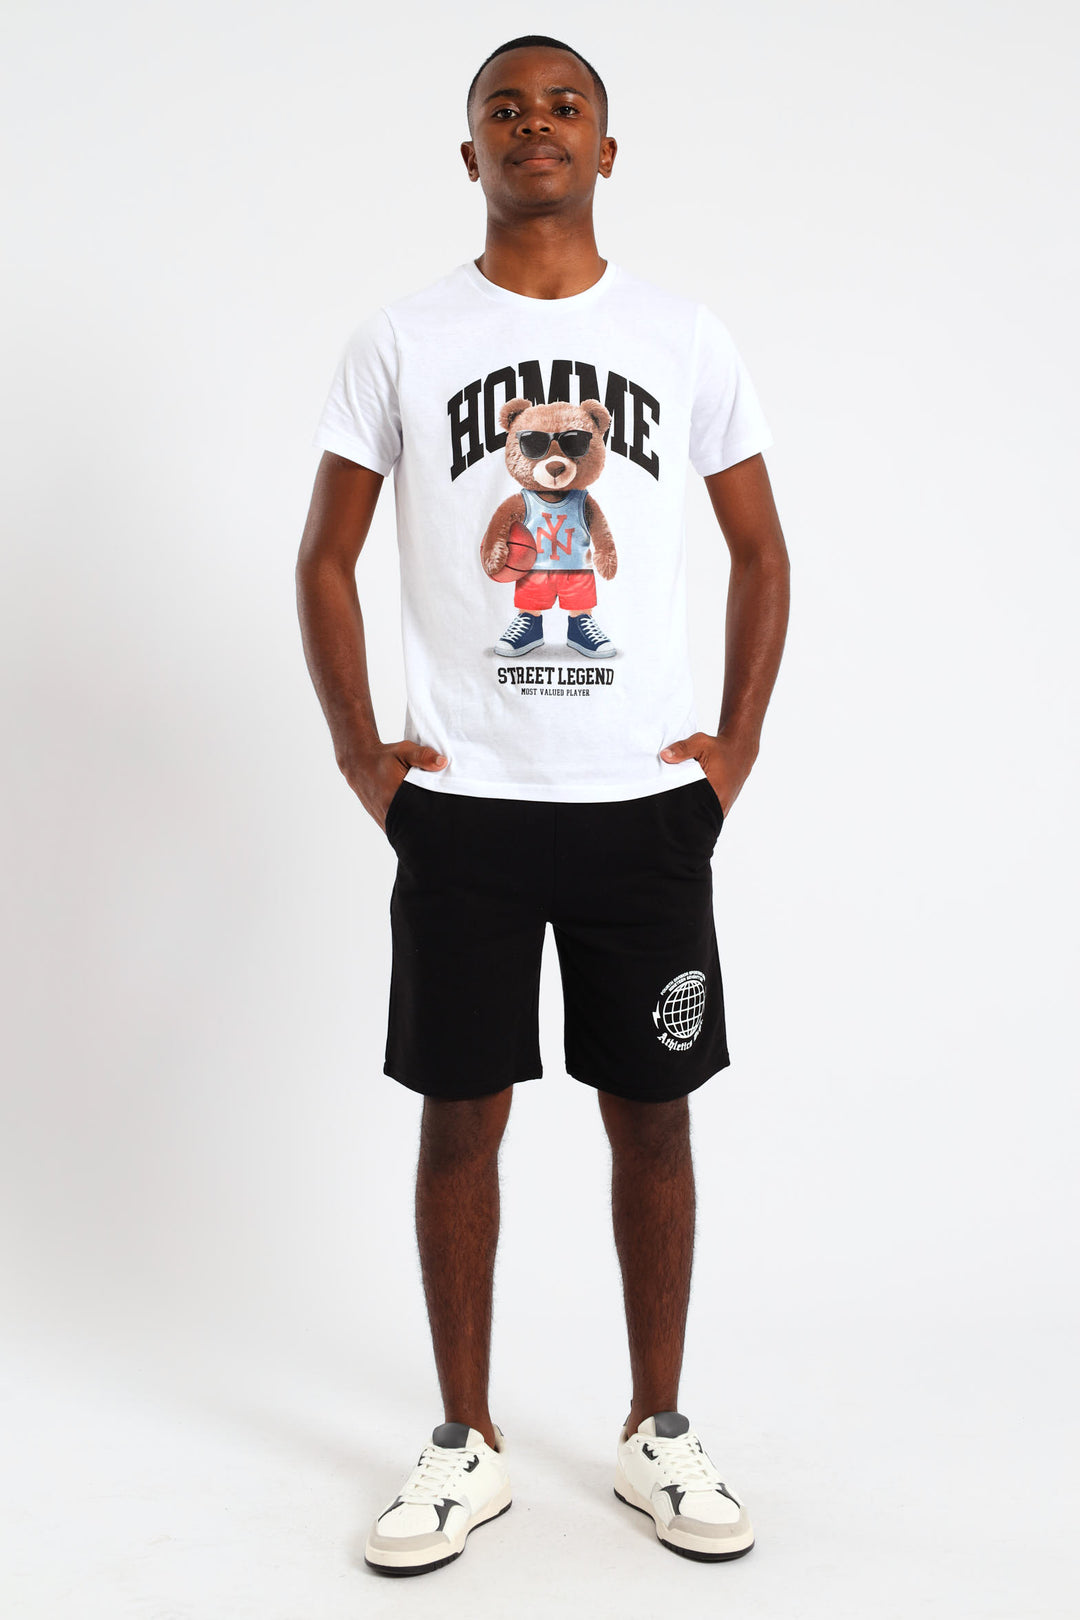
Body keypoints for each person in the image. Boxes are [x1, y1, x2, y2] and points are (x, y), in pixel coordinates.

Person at [296, 34, 790, 1578]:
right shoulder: (402, 340)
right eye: (503, 109)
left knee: (656, 1114)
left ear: (606, 148)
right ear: (470, 156)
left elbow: (763, 551)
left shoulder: (683, 336)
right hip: (465, 813)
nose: (535, 125)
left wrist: (734, 747)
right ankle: (466, 1440)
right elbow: (324, 555)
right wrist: (362, 754)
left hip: (644, 811)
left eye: (564, 104)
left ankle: (657, 1427)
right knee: (462, 1116)